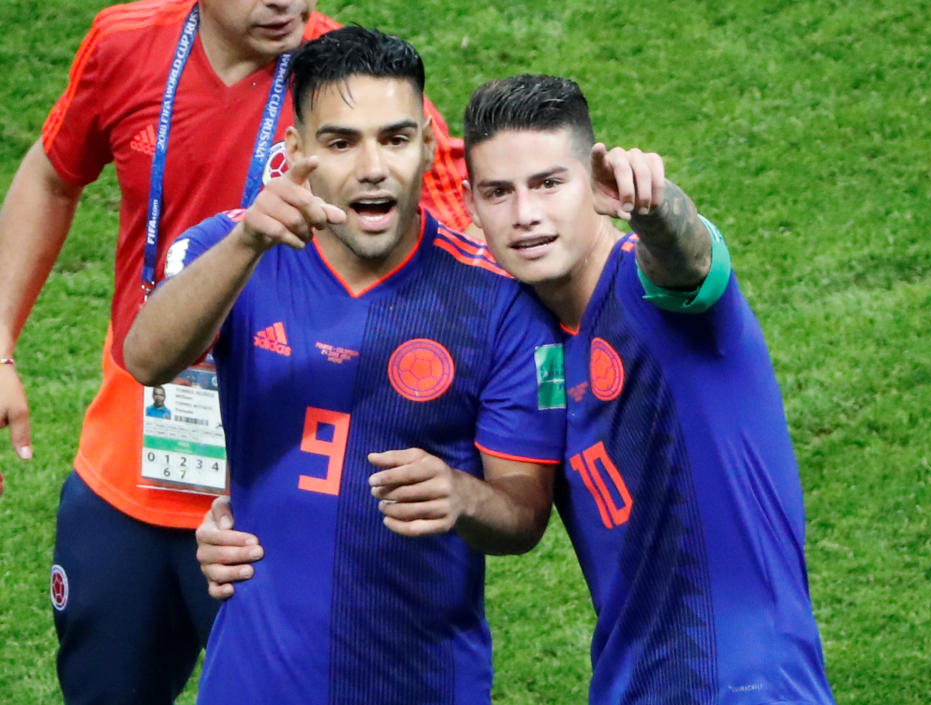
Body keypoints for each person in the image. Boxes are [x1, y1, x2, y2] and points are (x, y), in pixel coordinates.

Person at [199, 74, 837, 704]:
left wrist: (657, 209)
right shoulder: (535, 346)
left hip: (748, 687)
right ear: (470, 205)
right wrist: (241, 520)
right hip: (627, 686)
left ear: (595, 183)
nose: (525, 214)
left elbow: (687, 257)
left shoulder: (656, 297)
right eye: (498, 192)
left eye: (550, 184)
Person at [0, 1, 470, 703]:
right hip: (128, 467)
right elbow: (52, 171)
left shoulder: (357, 84)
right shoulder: (125, 44)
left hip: (285, 492)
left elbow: (459, 244)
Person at [124, 28, 564, 705]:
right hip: (254, 681)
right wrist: (247, 242)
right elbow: (147, 358)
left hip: (420, 684)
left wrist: (463, 495)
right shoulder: (232, 251)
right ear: (296, 153)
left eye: (393, 138)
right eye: (340, 142)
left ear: (425, 143)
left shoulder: (498, 300)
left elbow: (524, 513)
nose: (372, 167)